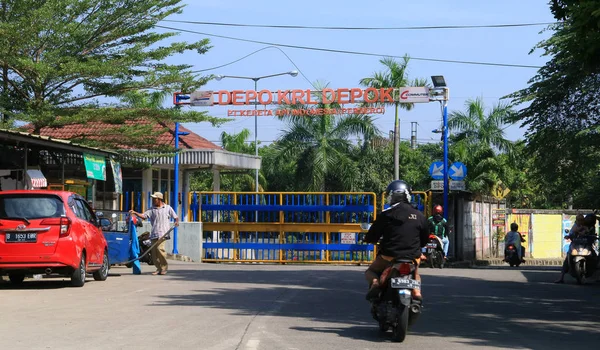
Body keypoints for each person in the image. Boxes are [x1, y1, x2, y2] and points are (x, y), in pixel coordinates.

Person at [364, 180, 429, 302]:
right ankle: (417, 291)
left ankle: (375, 283)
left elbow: (372, 237)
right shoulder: (419, 215)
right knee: (416, 273)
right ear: (408, 195)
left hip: (389, 256)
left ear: (391, 196)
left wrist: (369, 239)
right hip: (412, 257)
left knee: (371, 271)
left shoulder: (386, 215)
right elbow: (425, 239)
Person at [130, 192, 179, 275]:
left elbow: (176, 217)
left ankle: (164, 267)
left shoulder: (167, 208)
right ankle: (158, 268)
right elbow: (144, 216)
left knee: (160, 249)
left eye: (154, 198)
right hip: (154, 233)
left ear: (159, 199)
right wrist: (135, 212)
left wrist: (176, 222)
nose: (153, 200)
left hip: (163, 233)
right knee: (154, 252)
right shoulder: (151, 209)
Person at [555, 213, 597, 283]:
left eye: (591, 219)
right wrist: (569, 236)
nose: (589, 220)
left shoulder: (592, 227)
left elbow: (593, 236)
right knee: (567, 258)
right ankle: (561, 277)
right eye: (588, 218)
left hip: (587, 246)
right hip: (576, 245)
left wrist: (593, 237)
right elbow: (572, 232)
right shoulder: (577, 225)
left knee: (595, 257)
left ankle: (595, 274)